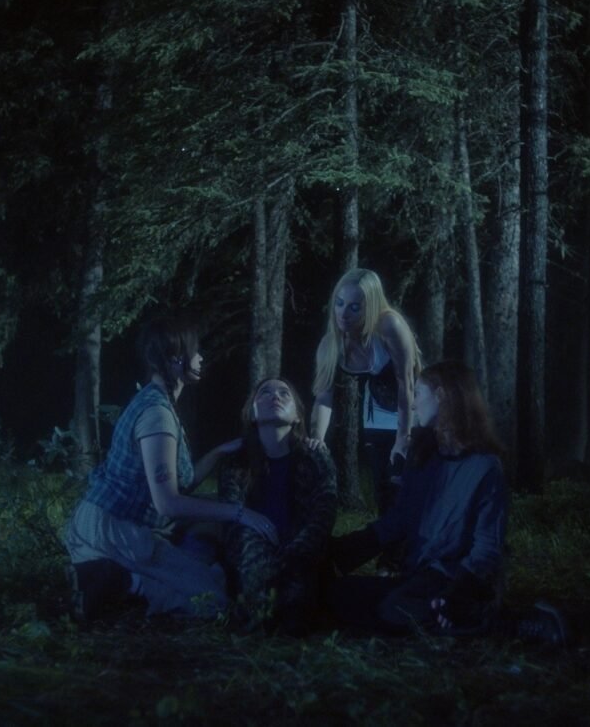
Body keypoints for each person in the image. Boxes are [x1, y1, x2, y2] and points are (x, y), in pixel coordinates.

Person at [326, 360, 567, 645]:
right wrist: (341, 552)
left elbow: (487, 549)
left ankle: (513, 623)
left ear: (441, 395)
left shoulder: (485, 467)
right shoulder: (423, 458)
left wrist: (460, 591)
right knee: (337, 595)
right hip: (418, 578)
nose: (413, 405)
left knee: (394, 610)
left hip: (456, 579)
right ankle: (440, 617)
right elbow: (398, 520)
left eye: (419, 395)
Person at [63, 315, 278, 620]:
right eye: (195, 351)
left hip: (109, 525)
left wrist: (216, 454)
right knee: (212, 602)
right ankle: (123, 583)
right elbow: (168, 502)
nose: (201, 358)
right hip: (113, 529)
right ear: (176, 359)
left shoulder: (158, 404)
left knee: (205, 566)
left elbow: (176, 484)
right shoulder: (157, 415)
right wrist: (241, 513)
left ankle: (109, 576)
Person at [219, 378, 338, 634]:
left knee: (297, 599)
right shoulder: (238, 461)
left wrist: (294, 552)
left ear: (297, 416)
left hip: (301, 552)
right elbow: (232, 518)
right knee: (263, 599)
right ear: (252, 413)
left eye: (285, 393)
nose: (276, 396)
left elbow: (323, 513)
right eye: (265, 392)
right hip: (252, 555)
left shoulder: (314, 456)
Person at [310, 268, 421, 521]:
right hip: (377, 412)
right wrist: (317, 436)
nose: (343, 313)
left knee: (409, 482)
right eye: (339, 303)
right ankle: (390, 554)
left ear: (370, 307)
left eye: (354, 307)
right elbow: (323, 397)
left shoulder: (389, 325)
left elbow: (407, 384)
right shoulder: (330, 344)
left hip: (413, 408)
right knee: (383, 487)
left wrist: (404, 436)